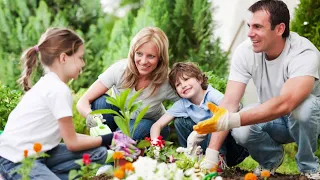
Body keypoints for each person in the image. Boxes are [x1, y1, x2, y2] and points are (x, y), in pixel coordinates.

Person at [190, 0, 320, 179]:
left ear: (280, 29)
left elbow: (287, 103)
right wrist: (212, 153)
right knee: (241, 129)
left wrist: (231, 120)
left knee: (302, 109)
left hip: (306, 119)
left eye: (258, 27)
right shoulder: (245, 51)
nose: (250, 33)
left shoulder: (304, 53)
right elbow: (229, 104)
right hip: (272, 117)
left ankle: (309, 167)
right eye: (249, 26)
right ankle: (270, 159)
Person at [0, 28, 123, 180]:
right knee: (98, 148)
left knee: (98, 153)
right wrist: (110, 139)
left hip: (37, 154)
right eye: (80, 57)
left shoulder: (49, 83)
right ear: (64, 58)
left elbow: (69, 136)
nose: (83, 63)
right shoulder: (58, 90)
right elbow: (72, 143)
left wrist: (110, 139)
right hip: (15, 160)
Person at [77, 27, 179, 141]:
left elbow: (185, 104)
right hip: (120, 120)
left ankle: (112, 145)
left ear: (160, 58)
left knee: (135, 130)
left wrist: (164, 121)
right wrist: (90, 115)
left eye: (151, 56)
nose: (143, 61)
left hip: (149, 125)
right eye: (139, 54)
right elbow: (83, 101)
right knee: (100, 102)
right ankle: (111, 144)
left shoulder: (166, 81)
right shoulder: (120, 70)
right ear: (133, 53)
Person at [150, 62, 248, 168]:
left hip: (233, 149)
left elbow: (234, 108)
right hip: (207, 146)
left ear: (199, 79)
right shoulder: (183, 103)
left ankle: (218, 163)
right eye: (178, 84)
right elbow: (157, 125)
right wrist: (156, 145)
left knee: (216, 122)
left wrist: (205, 128)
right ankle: (192, 156)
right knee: (180, 122)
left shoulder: (211, 95)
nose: (183, 85)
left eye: (186, 79)